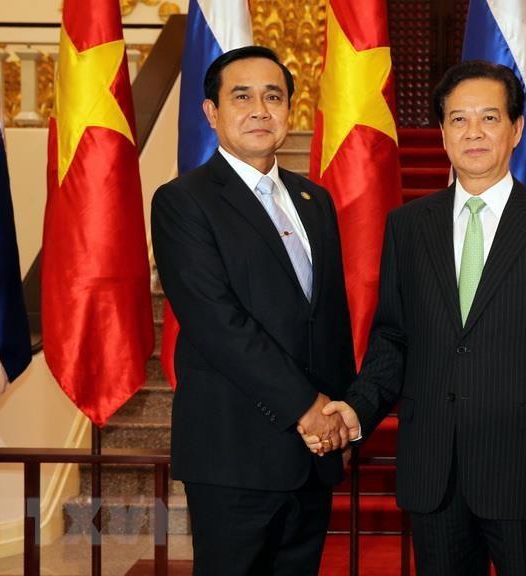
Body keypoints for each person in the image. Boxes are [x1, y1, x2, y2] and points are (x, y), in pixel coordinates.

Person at [303, 60, 526, 575]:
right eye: (458, 119)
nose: (473, 132)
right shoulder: (408, 226)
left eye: (489, 118)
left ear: (515, 130)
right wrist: (356, 411)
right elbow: (393, 341)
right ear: (443, 132)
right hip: (434, 475)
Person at [151, 46, 355, 576]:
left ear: (290, 111)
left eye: (274, 96)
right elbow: (218, 323)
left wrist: (341, 418)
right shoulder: (184, 201)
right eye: (241, 96)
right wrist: (305, 407)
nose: (260, 109)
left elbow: (330, 321)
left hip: (313, 455)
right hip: (233, 453)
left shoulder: (316, 200)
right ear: (212, 112)